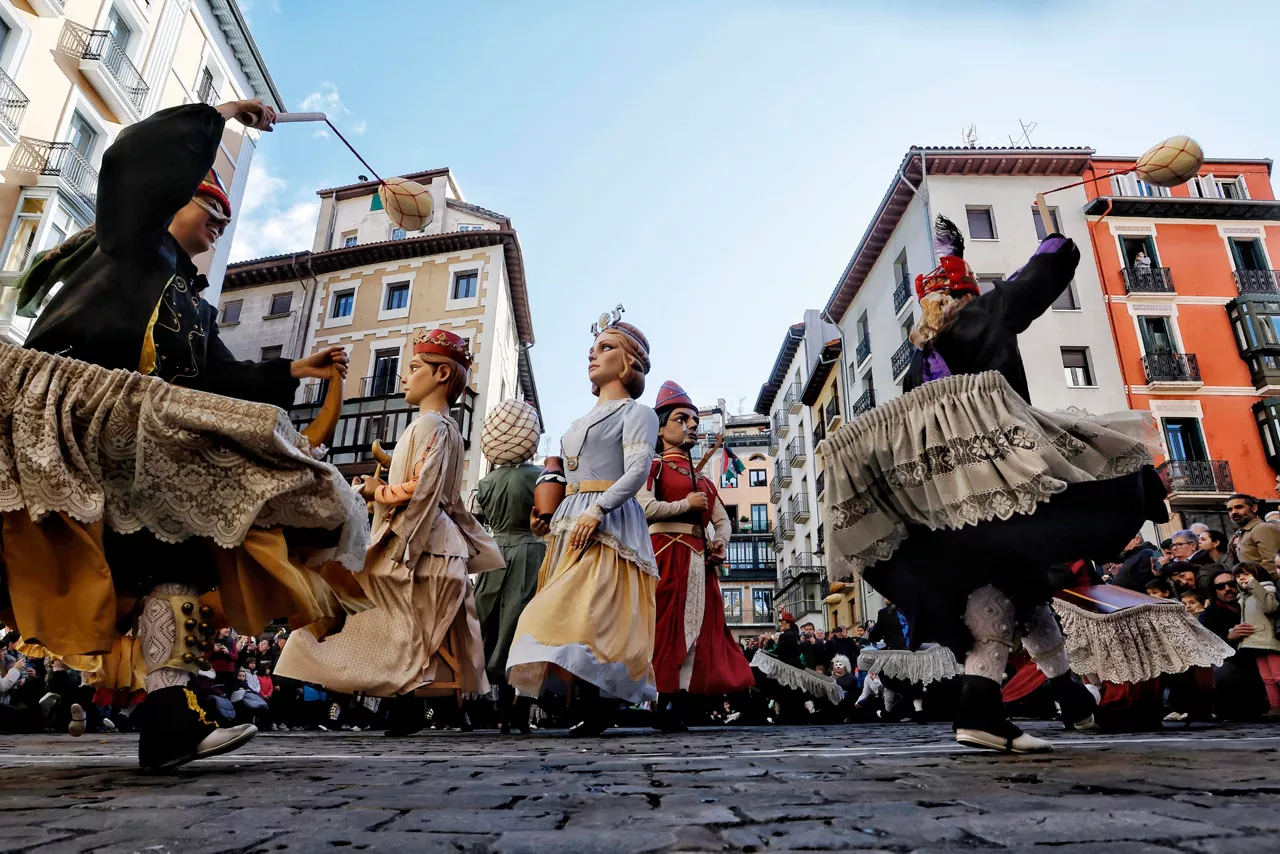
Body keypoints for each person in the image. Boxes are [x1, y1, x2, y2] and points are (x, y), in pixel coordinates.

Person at [2, 98, 366, 771]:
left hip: (135, 456)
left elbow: (215, 382)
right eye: (210, 207)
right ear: (166, 196)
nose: (221, 224)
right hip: (59, 433)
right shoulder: (132, 245)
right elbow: (131, 161)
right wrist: (219, 114)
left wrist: (294, 371)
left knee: (178, 561)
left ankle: (170, 720)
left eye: (229, 218)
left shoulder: (190, 304)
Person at [823, 215, 1174, 754]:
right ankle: (984, 711)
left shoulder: (919, 366)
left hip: (946, 501)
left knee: (1021, 589)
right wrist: (1051, 228)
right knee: (1016, 577)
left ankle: (1069, 701)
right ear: (969, 291)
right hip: (1006, 479)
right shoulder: (988, 311)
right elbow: (1049, 267)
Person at [276, 329, 504, 735]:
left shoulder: (432, 426)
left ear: (440, 374)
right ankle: (410, 705)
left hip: (420, 545)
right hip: (429, 543)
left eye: (414, 367)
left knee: (386, 619)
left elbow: (423, 489)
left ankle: (387, 696)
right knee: (407, 628)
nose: (404, 377)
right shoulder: (434, 427)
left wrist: (375, 490)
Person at [505, 309, 660, 736]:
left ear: (630, 361)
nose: (593, 356)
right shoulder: (578, 422)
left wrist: (597, 509)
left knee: (587, 615)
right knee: (552, 611)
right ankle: (530, 701)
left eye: (606, 348)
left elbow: (637, 471)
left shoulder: (638, 413)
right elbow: (565, 476)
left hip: (609, 523)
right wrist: (550, 518)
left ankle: (589, 706)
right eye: (592, 350)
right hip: (570, 521)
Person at [638, 381, 754, 729]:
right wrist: (683, 505)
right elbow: (642, 508)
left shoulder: (703, 480)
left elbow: (722, 520)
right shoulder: (653, 468)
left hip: (699, 564)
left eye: (693, 420)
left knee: (698, 632)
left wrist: (720, 543)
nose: (691, 425)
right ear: (660, 429)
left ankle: (682, 698)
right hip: (663, 557)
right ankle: (659, 699)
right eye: (680, 419)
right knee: (662, 630)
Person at [472, 399, 546, 735]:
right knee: (526, 628)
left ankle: (498, 706)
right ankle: (521, 710)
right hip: (530, 552)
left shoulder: (486, 484)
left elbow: (480, 521)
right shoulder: (540, 477)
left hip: (495, 553)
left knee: (491, 625)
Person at [1234, 563, 1280, 720]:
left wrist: (1254, 585)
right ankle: (1276, 706)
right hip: (1254, 642)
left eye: (1246, 574)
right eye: (1238, 576)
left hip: (1269, 640)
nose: (1241, 578)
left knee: (1278, 675)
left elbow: (1270, 607)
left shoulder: (1266, 589)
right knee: (1267, 678)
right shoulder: (1243, 597)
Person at [1228, 495, 1280, 565]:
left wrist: (1253, 576)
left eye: (1239, 507)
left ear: (1254, 508)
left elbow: (1272, 563)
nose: (1233, 512)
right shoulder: (1239, 534)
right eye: (1230, 509)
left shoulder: (1263, 528)